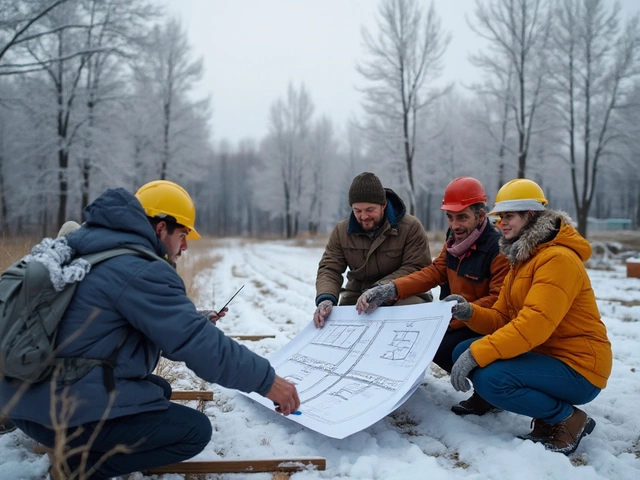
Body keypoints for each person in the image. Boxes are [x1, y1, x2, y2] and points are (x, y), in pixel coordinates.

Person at [0, 180, 299, 479]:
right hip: (57, 414)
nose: (184, 246)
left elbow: (121, 315)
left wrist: (195, 319)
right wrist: (268, 381)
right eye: (182, 235)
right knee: (193, 431)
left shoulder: (91, 245)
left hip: (25, 402)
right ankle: (78, 468)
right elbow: (198, 344)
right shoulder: (138, 268)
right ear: (160, 229)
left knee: (158, 390)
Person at [444, 178, 612, 456]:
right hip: (549, 357)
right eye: (500, 217)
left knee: (492, 378)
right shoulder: (524, 257)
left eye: (509, 216)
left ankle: (568, 418)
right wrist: (469, 312)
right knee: (463, 347)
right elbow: (502, 317)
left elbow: (533, 326)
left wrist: (479, 354)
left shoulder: (558, 259)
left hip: (580, 367)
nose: (502, 223)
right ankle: (547, 419)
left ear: (530, 215)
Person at [355, 177, 510, 416]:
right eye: (450, 217)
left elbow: (499, 301)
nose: (455, 224)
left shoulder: (498, 249)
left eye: (462, 217)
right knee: (428, 342)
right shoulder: (454, 243)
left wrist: (451, 316)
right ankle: (485, 392)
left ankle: (490, 392)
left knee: (446, 346)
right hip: (458, 318)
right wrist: (391, 288)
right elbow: (433, 272)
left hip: (485, 322)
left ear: (481, 216)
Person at [314, 172, 433, 328]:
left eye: (370, 210)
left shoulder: (410, 227)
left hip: (404, 294)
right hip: (358, 296)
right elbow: (329, 268)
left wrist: (381, 289)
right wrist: (326, 298)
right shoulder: (341, 231)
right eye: (357, 211)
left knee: (408, 316)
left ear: (383, 205)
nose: (364, 216)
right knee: (333, 325)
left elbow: (417, 267)